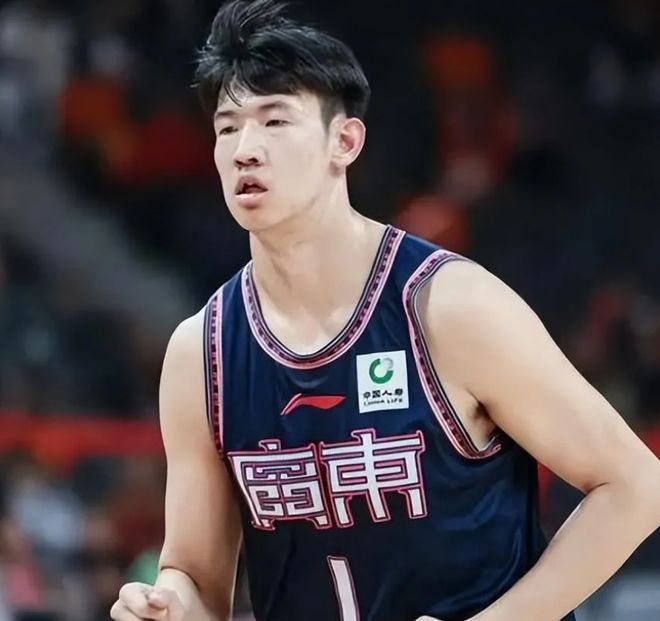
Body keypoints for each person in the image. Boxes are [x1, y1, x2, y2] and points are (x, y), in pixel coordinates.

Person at [110, 1, 660, 620]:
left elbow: (635, 487)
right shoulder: (201, 354)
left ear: (344, 142)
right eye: (228, 128)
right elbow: (196, 575)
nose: (245, 150)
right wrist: (167, 605)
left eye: (275, 121)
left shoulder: (449, 306)